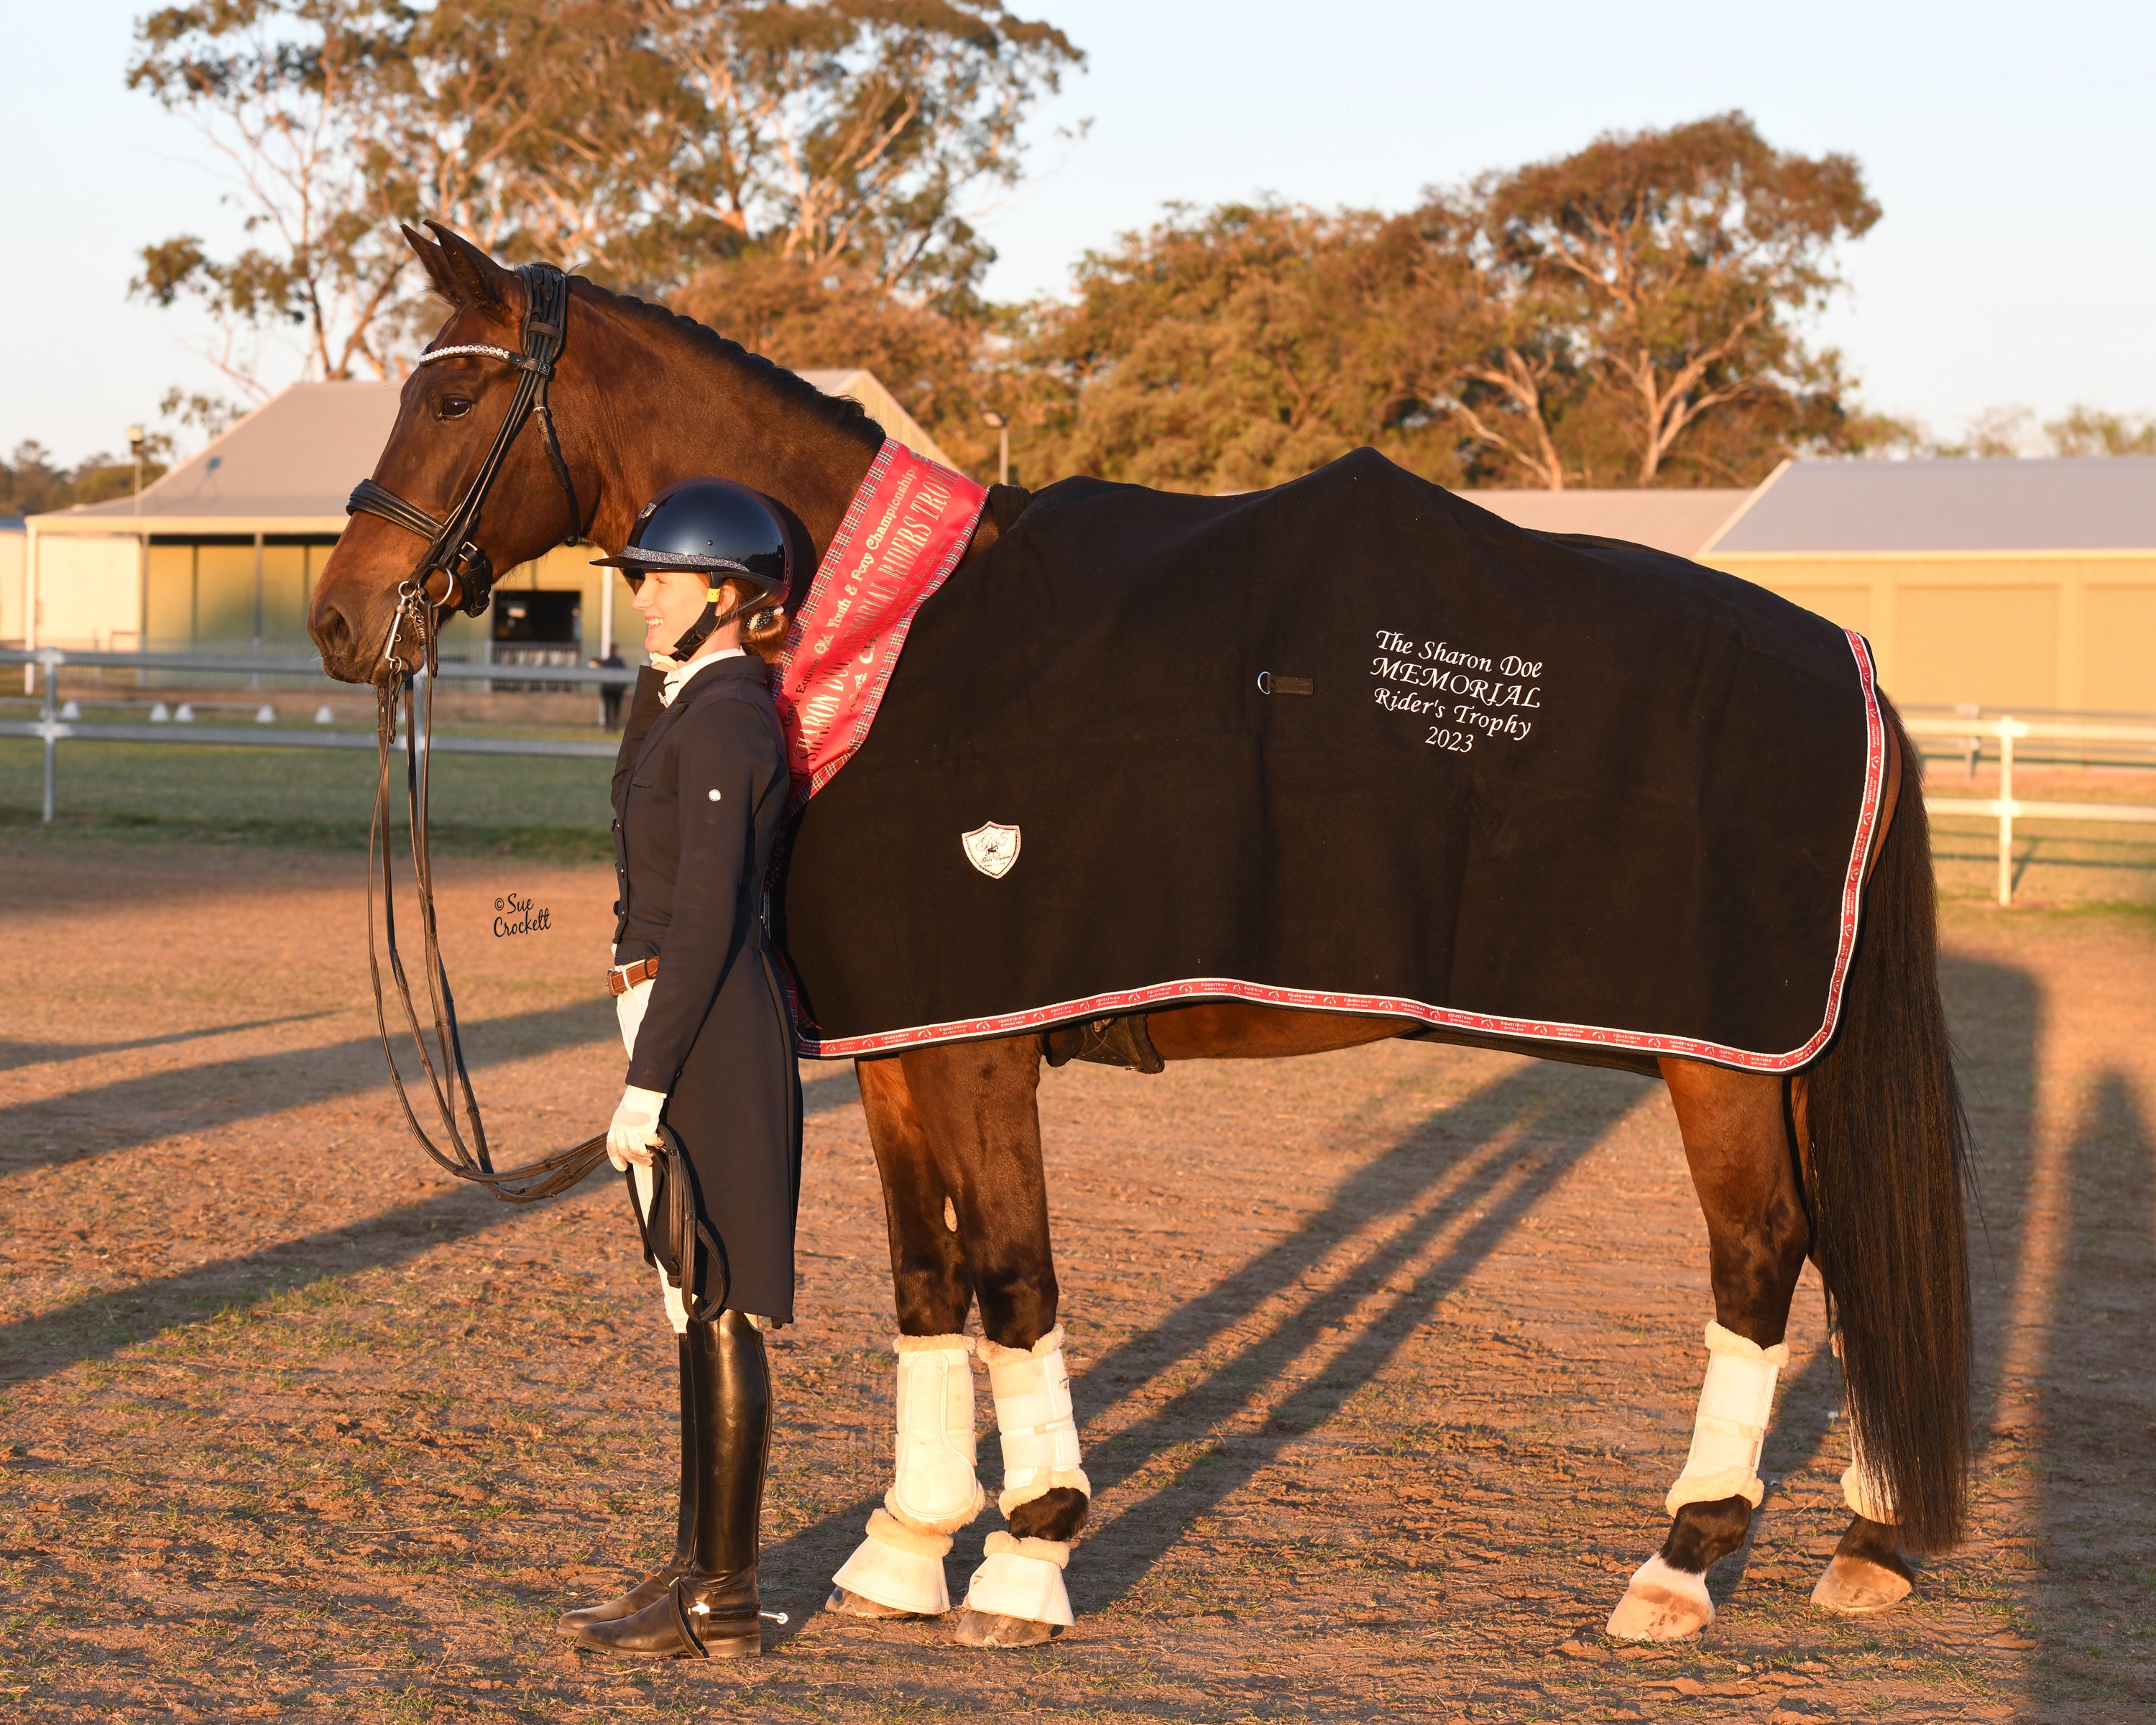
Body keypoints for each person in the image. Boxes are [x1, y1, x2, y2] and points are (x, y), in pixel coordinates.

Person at [557, 478, 803, 1660]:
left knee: (717, 1301)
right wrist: (667, 669)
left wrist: (646, 1087)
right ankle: (700, 1572)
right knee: (690, 1303)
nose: (641, 595)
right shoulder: (690, 704)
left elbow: (704, 921)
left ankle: (724, 1593)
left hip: (702, 1027)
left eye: (661, 578)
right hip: (671, 1010)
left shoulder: (730, 721)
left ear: (727, 595)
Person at [598, 645, 627, 728]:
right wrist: (624, 688)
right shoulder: (620, 662)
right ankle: (615, 724)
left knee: (607, 707)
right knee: (616, 707)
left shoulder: (606, 662)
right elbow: (624, 675)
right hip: (617, 688)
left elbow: (602, 676)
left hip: (607, 688)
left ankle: (607, 725)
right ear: (616, 650)